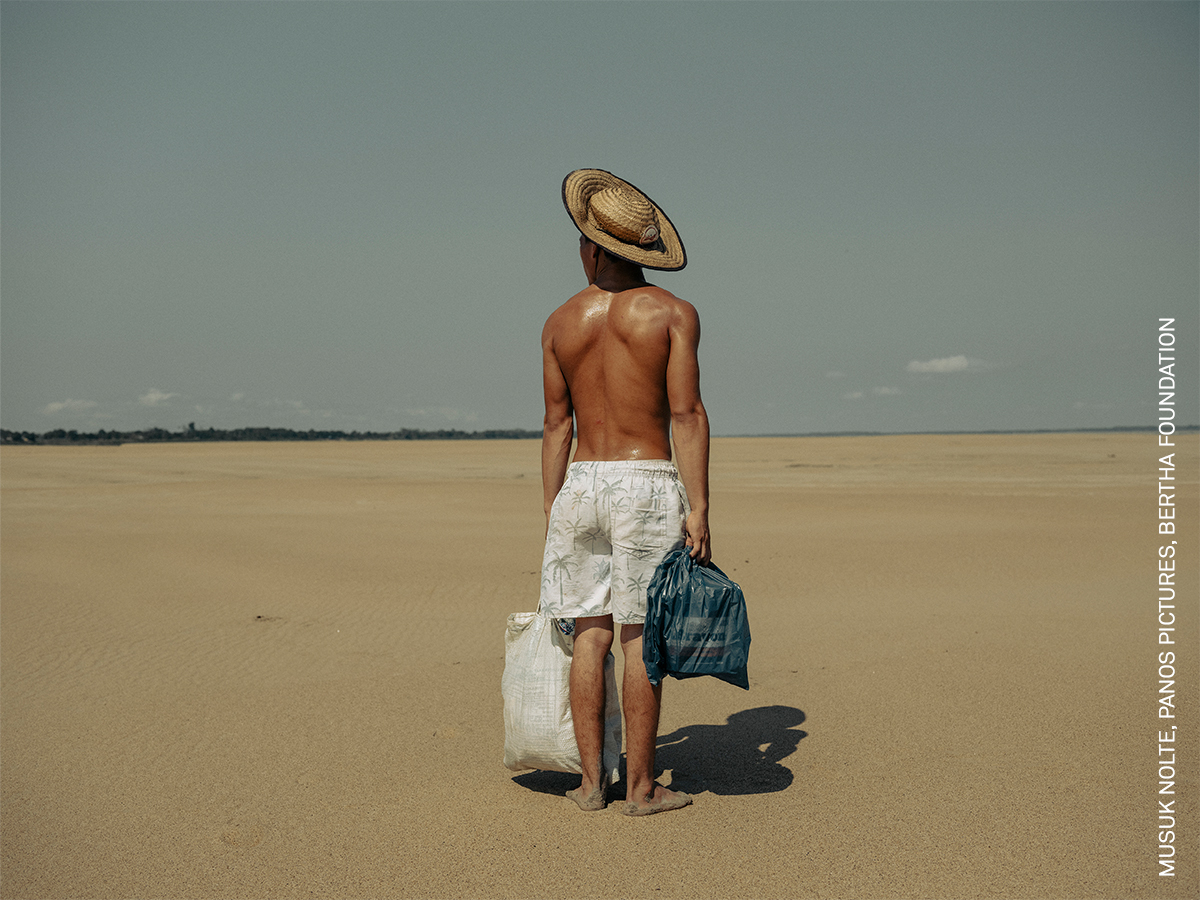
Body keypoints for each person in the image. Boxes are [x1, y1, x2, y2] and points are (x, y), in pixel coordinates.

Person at [539, 169, 710, 816]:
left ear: (596, 247)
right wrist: (700, 504)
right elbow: (687, 414)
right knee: (639, 635)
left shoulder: (560, 322)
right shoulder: (671, 315)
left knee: (590, 633)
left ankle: (591, 785)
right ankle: (640, 787)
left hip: (580, 482)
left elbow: (558, 426)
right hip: (645, 481)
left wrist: (551, 509)